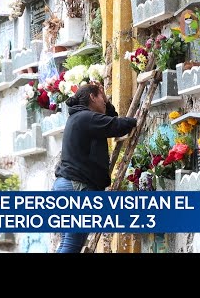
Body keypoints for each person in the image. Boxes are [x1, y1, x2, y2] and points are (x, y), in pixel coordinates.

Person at [52, 82, 137, 253]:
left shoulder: (78, 117)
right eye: (102, 97)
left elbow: (110, 117)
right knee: (71, 245)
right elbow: (117, 125)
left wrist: (105, 99)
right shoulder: (86, 118)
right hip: (77, 187)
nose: (105, 101)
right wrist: (135, 120)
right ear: (92, 97)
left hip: (66, 186)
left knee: (67, 243)